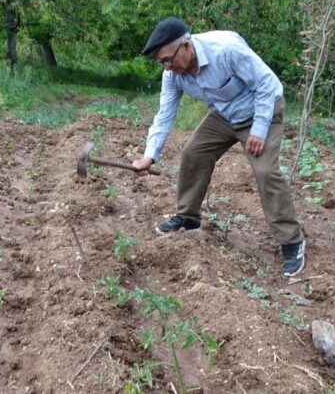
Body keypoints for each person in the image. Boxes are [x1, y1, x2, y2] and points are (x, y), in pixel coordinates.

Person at [131, 17, 306, 277]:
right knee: (194, 153)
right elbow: (165, 114)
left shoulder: (225, 50)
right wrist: (149, 156)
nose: (166, 68)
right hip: (224, 116)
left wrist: (258, 129)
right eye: (161, 63)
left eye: (168, 60)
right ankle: (188, 217)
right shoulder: (173, 75)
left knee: (265, 172)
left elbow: (269, 85)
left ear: (187, 46)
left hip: (261, 111)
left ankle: (292, 241)